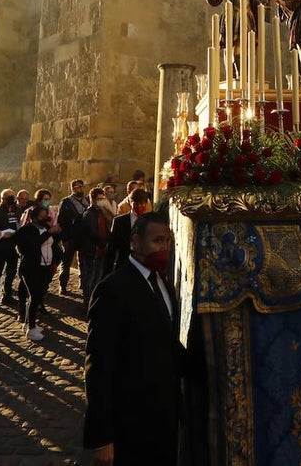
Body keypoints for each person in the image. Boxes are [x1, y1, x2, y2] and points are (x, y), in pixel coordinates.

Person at [84, 212, 182, 466]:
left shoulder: (163, 281)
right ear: (135, 242)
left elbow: (167, 343)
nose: (164, 248)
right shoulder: (112, 290)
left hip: (163, 417)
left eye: (167, 241)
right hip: (129, 422)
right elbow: (99, 365)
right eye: (157, 241)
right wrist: (101, 437)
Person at [205, 0, 261, 76]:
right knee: (234, 45)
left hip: (247, 17)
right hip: (233, 16)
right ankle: (237, 74)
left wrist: (261, 6)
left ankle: (246, 74)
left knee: (247, 46)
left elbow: (254, 1)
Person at [17, 193, 59, 341]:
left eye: (46, 215)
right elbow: (32, 245)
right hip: (31, 267)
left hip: (43, 266)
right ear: (35, 217)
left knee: (38, 296)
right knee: (34, 297)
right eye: (42, 216)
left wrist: (56, 233)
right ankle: (31, 328)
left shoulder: (45, 227)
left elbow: (51, 243)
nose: (45, 217)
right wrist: (48, 233)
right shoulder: (26, 230)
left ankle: (28, 322)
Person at [103, 189, 150, 277]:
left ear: (146, 203)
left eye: (141, 203)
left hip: (144, 270)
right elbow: (111, 249)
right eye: (135, 204)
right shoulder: (119, 222)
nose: (139, 206)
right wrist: (107, 275)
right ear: (130, 203)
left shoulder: (150, 222)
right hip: (123, 268)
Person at [0, 189, 21, 309]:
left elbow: (20, 223)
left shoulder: (17, 210)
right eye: (9, 198)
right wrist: (2, 234)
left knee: (11, 273)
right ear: (3, 199)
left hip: (13, 246)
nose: (12, 200)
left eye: (13, 197)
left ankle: (7, 296)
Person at [79, 187, 111, 310]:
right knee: (89, 279)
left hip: (100, 250)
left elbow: (107, 228)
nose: (101, 201)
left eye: (102, 199)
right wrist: (103, 243)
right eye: (99, 199)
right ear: (92, 199)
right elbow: (92, 232)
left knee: (97, 278)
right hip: (91, 250)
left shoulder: (101, 212)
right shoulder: (89, 213)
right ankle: (87, 304)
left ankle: (93, 302)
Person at [57, 179, 90, 295]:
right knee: (66, 262)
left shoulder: (87, 200)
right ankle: (63, 285)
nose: (80, 189)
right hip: (70, 237)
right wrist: (64, 238)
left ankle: (83, 283)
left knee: (83, 261)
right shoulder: (66, 202)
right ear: (73, 188)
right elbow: (61, 221)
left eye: (81, 186)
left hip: (83, 237)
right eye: (77, 187)